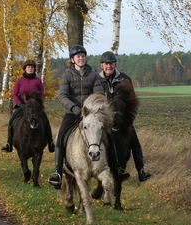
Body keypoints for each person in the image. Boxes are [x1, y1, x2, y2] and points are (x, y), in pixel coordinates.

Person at [47, 45, 130, 189]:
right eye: (78, 56)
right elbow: (62, 95)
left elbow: (98, 94)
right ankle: (57, 172)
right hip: (72, 113)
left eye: (83, 56)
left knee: (108, 136)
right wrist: (74, 108)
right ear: (73, 60)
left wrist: (91, 109)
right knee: (61, 138)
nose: (81, 58)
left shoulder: (93, 75)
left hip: (90, 114)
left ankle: (117, 170)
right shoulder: (67, 75)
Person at [99, 51, 152, 182]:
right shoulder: (97, 80)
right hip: (104, 119)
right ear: (102, 65)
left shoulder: (124, 79)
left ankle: (141, 170)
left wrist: (126, 120)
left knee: (134, 140)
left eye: (111, 63)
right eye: (106, 64)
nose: (108, 66)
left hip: (121, 118)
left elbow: (131, 101)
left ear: (115, 64)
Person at [1, 59, 54, 153]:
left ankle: (50, 143)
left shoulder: (38, 81)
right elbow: (14, 94)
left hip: (35, 106)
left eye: (32, 67)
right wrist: (20, 104)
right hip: (23, 105)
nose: (30, 69)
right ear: (25, 69)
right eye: (28, 67)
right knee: (12, 121)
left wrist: (37, 103)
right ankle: (9, 144)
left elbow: (42, 94)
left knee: (46, 121)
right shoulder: (19, 81)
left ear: (34, 69)